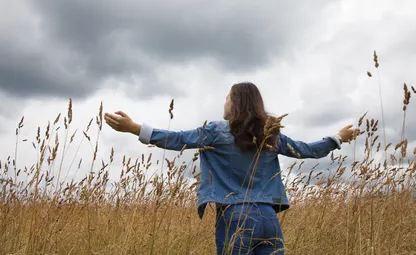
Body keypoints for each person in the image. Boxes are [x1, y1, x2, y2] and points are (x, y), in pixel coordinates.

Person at [104, 82, 360, 254]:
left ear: (235, 103)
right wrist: (337, 138)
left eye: (227, 97)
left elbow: (177, 139)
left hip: (236, 217)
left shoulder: (215, 131)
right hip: (269, 219)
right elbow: (306, 149)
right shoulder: (270, 134)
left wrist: (135, 128)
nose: (223, 102)